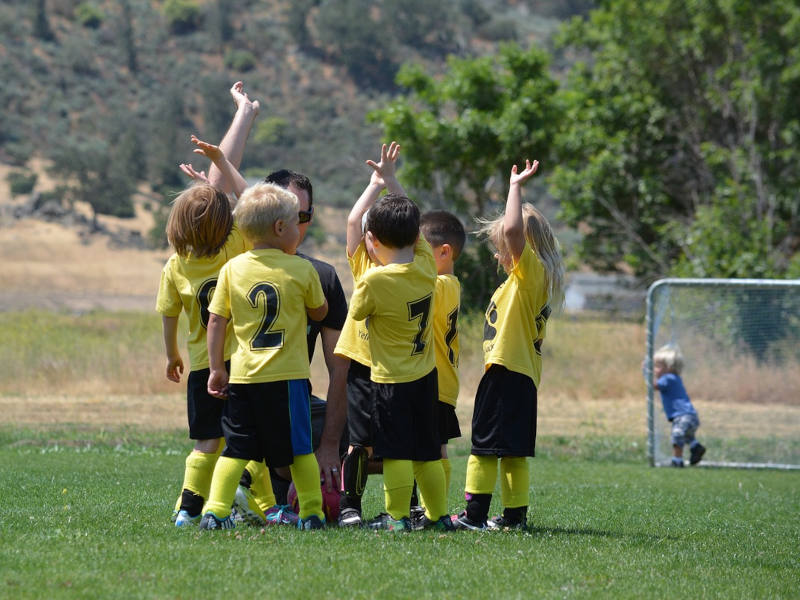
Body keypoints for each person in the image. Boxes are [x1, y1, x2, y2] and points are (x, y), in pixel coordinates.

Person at [206, 91, 349, 501]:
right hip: (244, 388)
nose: (298, 226)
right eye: (292, 218)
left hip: (277, 391)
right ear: (274, 222)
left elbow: (339, 365)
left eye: (305, 217)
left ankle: (239, 499)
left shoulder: (316, 271)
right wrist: (243, 117)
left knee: (369, 417)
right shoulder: (242, 250)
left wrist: (330, 442)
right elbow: (222, 189)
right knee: (256, 439)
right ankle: (274, 498)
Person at [200, 182, 329, 531]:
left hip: (244, 378)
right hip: (287, 379)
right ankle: (312, 513)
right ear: (280, 228)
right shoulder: (301, 270)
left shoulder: (232, 269)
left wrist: (215, 368)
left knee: (237, 450)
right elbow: (320, 312)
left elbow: (215, 320)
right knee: (299, 449)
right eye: (296, 222)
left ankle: (215, 512)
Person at [339, 141, 452, 532]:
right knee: (425, 452)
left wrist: (381, 187)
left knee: (395, 451)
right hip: (424, 376)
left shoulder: (371, 279)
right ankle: (438, 517)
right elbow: (412, 231)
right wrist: (387, 183)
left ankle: (397, 517)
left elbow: (356, 312)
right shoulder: (425, 265)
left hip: (389, 379)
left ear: (371, 241)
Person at [453, 159, 565, 531]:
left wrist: (514, 186)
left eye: (503, 246)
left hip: (505, 373)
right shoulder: (525, 281)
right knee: (513, 452)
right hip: (521, 377)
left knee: (483, 448)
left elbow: (515, 229)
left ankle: (473, 517)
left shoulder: (529, 272)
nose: (500, 254)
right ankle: (514, 519)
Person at [157, 134, 256, 527]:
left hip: (201, 367)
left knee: (205, 441)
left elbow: (168, 315)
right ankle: (234, 503)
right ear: (226, 224)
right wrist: (225, 166)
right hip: (240, 363)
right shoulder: (235, 245)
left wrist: (171, 355)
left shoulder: (175, 265)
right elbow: (252, 202)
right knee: (247, 438)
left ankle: (187, 509)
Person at [414, 210, 466, 521]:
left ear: (443, 252)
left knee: (435, 451)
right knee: (435, 448)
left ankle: (435, 512)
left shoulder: (443, 285)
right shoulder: (447, 284)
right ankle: (432, 510)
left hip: (434, 383)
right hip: (439, 383)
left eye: (420, 250)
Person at [652, 344, 706, 467]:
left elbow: (654, 386)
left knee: (677, 436)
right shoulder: (675, 378)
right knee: (687, 436)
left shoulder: (668, 378)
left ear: (669, 367)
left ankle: (677, 461)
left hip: (682, 416)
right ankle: (696, 447)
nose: (655, 370)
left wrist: (645, 373)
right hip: (690, 415)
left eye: (658, 367)